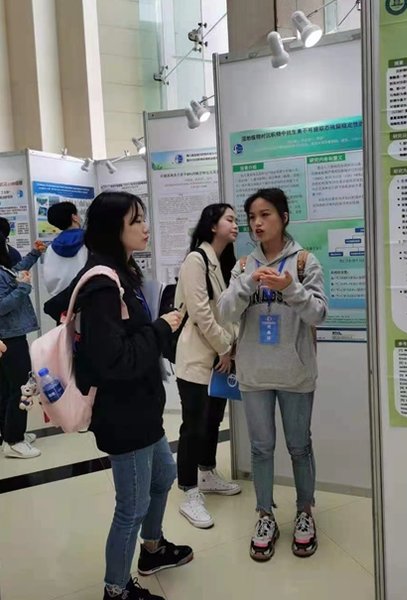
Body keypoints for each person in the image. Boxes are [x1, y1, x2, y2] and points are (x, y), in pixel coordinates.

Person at [71, 191, 192, 600]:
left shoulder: (122, 272)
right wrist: (161, 328)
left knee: (163, 476)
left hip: (142, 409)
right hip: (124, 415)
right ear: (113, 229)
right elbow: (115, 360)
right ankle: (116, 589)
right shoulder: (104, 283)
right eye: (135, 220)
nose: (145, 226)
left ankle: (153, 549)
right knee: (131, 508)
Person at [218, 188, 328, 562]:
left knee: (300, 446)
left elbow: (319, 315)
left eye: (265, 214)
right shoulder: (242, 265)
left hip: (296, 374)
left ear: (283, 217)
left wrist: (290, 289)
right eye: (251, 217)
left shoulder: (304, 262)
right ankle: (264, 515)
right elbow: (224, 313)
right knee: (261, 449)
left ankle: (304, 512)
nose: (257, 223)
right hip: (254, 375)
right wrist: (249, 283)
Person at [174, 203, 241, 529]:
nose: (236, 224)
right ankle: (189, 490)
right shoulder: (195, 260)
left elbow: (229, 311)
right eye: (230, 219)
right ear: (213, 225)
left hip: (219, 357)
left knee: (214, 418)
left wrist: (230, 348)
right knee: (194, 425)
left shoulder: (223, 261)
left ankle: (207, 472)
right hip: (197, 359)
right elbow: (201, 314)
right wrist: (226, 347)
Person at [0, 234, 46, 458]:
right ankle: (14, 440)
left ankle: (10, 433)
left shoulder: (2, 268)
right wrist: (23, 288)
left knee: (8, 389)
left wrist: (34, 254)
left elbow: (15, 270)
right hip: (9, 338)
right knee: (21, 388)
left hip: (9, 337)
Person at [42, 201, 88, 296]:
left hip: (62, 300)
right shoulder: (90, 241)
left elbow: (49, 279)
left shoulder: (51, 248)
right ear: (74, 217)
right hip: (87, 297)